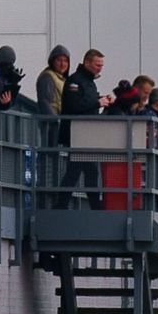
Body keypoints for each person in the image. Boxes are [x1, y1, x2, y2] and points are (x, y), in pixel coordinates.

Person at [59, 49, 111, 207]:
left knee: (86, 172)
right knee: (79, 171)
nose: (100, 68)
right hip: (77, 134)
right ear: (87, 62)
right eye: (97, 64)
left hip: (87, 135)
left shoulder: (89, 82)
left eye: (101, 65)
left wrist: (101, 100)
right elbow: (74, 105)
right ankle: (64, 205)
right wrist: (97, 102)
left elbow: (86, 103)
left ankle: (66, 205)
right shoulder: (75, 81)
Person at [36, 45, 69, 117]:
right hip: (53, 121)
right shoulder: (47, 77)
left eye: (65, 61)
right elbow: (45, 102)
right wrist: (54, 120)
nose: (62, 64)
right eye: (59, 60)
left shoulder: (64, 79)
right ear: (52, 61)